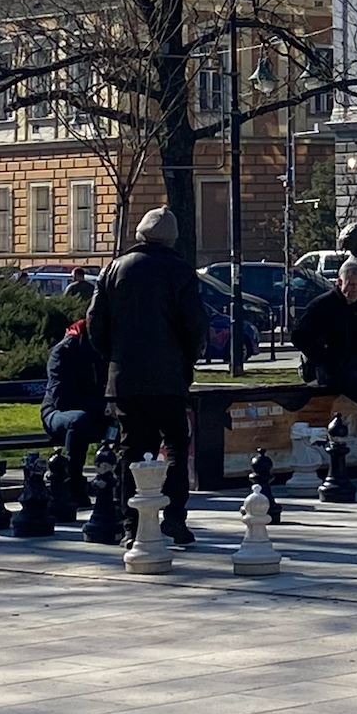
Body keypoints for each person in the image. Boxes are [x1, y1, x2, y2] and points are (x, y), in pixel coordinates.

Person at [86, 208, 208, 547]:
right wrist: (187, 358)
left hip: (126, 379)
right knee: (175, 447)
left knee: (132, 450)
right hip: (169, 379)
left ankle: (131, 526)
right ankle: (174, 519)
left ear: (140, 234)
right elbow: (195, 325)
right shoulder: (180, 271)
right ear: (171, 238)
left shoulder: (113, 269)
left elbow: (96, 323)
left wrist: (114, 358)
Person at [293, 257, 357, 469]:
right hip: (330, 365)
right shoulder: (323, 305)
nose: (354, 290)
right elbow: (299, 336)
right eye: (350, 284)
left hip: (356, 361)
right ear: (340, 282)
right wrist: (323, 358)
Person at [41, 316, 108, 479]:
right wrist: (103, 407)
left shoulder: (103, 351)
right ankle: (73, 480)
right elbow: (61, 399)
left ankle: (126, 480)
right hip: (56, 412)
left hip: (97, 412)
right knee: (78, 420)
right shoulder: (63, 352)